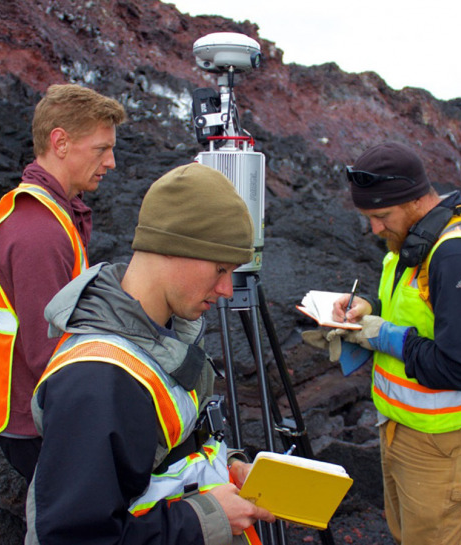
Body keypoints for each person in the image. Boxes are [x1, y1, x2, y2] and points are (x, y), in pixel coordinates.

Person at [24, 163, 276, 544]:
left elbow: (171, 450)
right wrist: (207, 518)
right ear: (173, 247)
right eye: (221, 269)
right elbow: (74, 537)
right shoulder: (97, 381)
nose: (227, 289)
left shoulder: (170, 333)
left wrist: (227, 467)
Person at [329, 142, 461, 545]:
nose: (374, 229)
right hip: (400, 429)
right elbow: (419, 314)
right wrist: (365, 313)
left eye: (381, 216)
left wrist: (384, 336)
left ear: (414, 200)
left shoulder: (455, 256)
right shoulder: (412, 242)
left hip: (442, 444)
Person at [0, 83, 126, 483]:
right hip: (34, 423)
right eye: (100, 149)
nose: (111, 162)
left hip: (30, 411)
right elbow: (51, 354)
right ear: (60, 142)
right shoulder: (38, 232)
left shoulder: (48, 212)